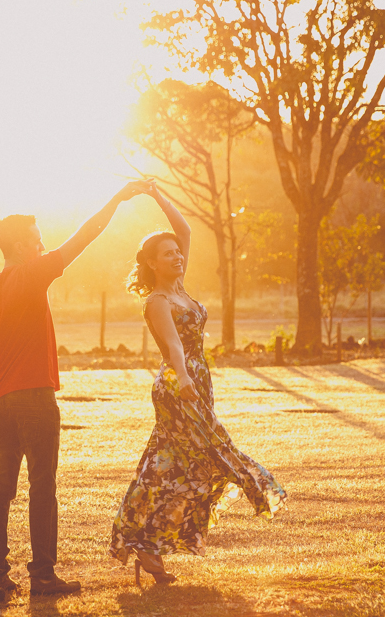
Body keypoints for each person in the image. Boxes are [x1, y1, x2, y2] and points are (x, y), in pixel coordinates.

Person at [0, 181, 147, 594]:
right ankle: (43, 577)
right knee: (42, 486)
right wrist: (117, 199)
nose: (42, 245)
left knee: (1, 488)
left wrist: (4, 389)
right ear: (18, 246)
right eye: (36, 240)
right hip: (35, 397)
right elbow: (85, 236)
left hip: (4, 400)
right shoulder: (32, 274)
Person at [109, 181, 287, 588]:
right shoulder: (157, 300)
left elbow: (184, 231)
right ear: (153, 263)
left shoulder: (179, 288)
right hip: (178, 384)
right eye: (167, 254)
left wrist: (156, 195)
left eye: (177, 253)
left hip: (196, 382)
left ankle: (143, 542)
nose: (177, 257)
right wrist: (185, 376)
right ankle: (258, 485)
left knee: (169, 463)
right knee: (211, 451)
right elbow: (172, 345)